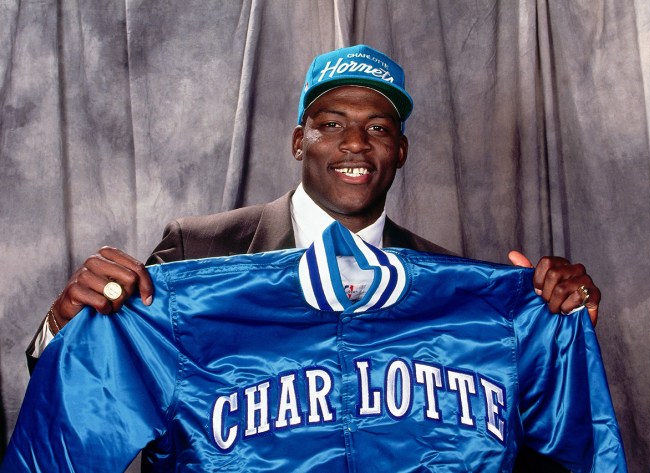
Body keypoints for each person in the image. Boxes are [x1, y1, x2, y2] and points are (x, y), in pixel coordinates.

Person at [20, 45, 608, 471]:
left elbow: (520, 449)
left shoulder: (450, 288)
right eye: (332, 125)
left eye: (378, 128)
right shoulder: (196, 252)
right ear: (300, 140)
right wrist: (64, 328)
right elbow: (96, 393)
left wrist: (553, 333)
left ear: (400, 151)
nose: (355, 143)